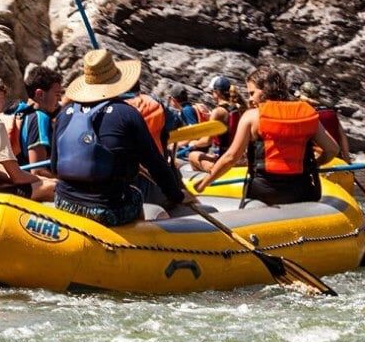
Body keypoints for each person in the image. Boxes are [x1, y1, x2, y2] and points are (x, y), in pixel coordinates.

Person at [50, 49, 193, 226]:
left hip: (64, 202)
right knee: (135, 196)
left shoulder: (65, 114)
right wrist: (176, 195)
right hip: (106, 208)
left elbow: (54, 167)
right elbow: (155, 163)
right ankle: (136, 250)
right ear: (116, 82)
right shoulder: (127, 114)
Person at [200, 66, 346, 206]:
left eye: (252, 93)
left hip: (264, 192)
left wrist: (206, 182)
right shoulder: (305, 113)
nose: (250, 99)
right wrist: (313, 165)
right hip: (301, 190)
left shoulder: (251, 116)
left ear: (264, 90)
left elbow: (231, 157)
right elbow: (332, 149)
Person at [182, 74, 242, 176]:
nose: (211, 94)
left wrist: (193, 144)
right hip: (236, 155)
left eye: (212, 92)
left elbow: (206, 141)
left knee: (193, 156)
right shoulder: (237, 109)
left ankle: (207, 182)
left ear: (217, 92)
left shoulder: (218, 112)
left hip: (223, 158)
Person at [11, 64, 65, 174]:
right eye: (57, 94)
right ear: (40, 94)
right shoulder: (40, 118)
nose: (59, 99)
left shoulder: (21, 112)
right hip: (32, 184)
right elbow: (38, 170)